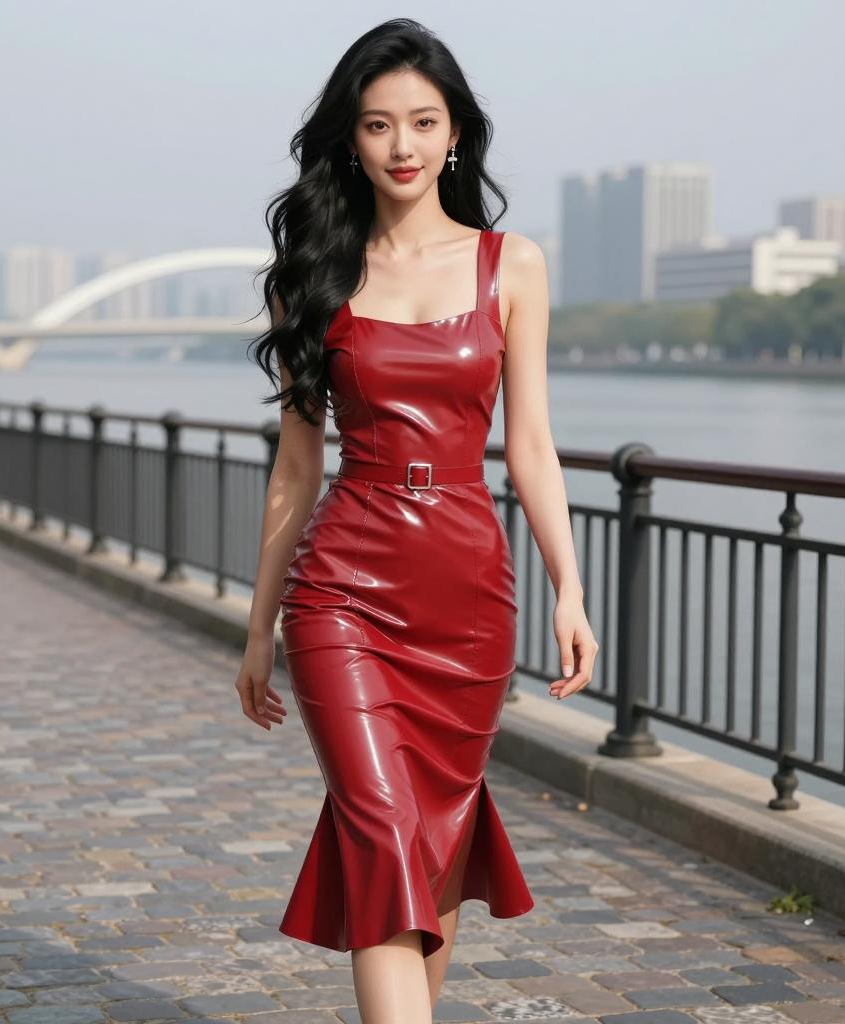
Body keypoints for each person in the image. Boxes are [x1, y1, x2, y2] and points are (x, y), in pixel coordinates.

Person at [237, 18, 598, 1023]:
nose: (400, 143)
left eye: (422, 122)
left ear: (453, 134)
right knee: (384, 833)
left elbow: (530, 443)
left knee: (431, 839)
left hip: (466, 599)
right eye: (377, 124)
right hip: (341, 596)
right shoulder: (312, 274)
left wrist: (569, 588)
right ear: (348, 140)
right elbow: (296, 468)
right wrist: (259, 623)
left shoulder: (508, 264)